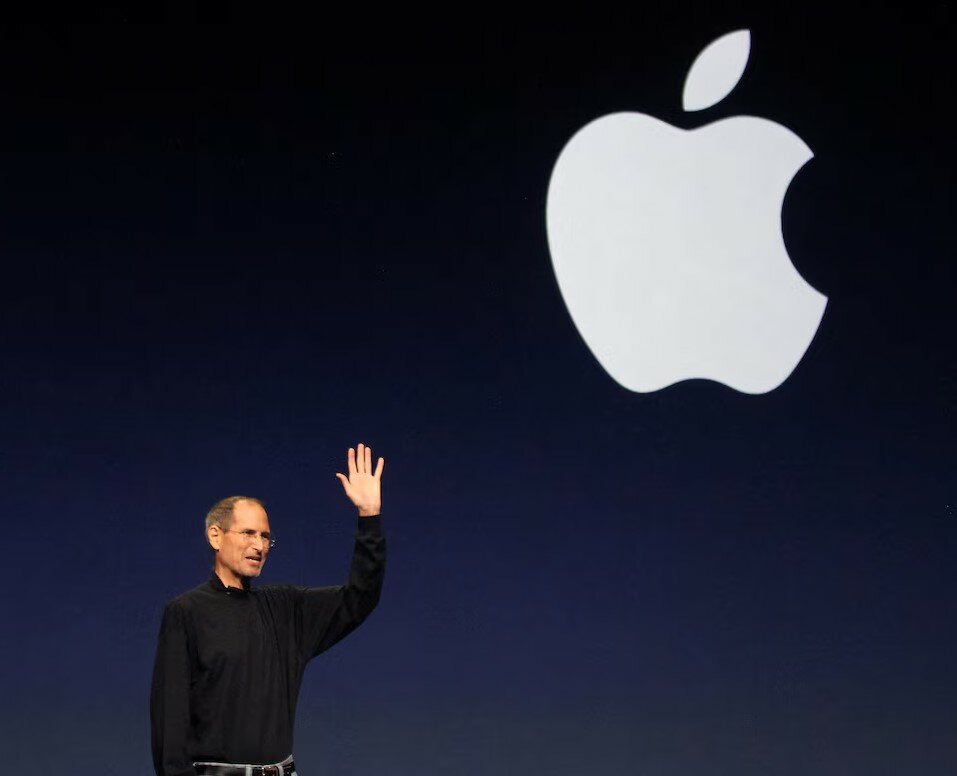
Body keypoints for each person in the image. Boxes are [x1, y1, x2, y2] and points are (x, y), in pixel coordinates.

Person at [150, 443, 386, 776]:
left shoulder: (285, 610)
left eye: (265, 537)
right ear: (215, 536)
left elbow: (360, 597)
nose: (259, 545)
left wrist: (369, 517)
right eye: (248, 533)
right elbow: (170, 718)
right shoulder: (186, 612)